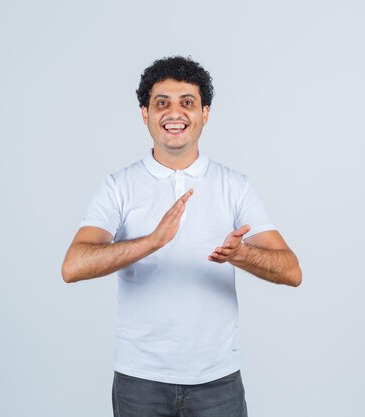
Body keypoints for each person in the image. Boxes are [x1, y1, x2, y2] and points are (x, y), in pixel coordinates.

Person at [61, 56, 302, 417]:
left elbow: (292, 271)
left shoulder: (235, 187)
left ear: (206, 113)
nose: (175, 113)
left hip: (217, 381)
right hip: (139, 380)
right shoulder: (118, 187)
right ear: (145, 114)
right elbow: (73, 266)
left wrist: (243, 255)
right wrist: (150, 242)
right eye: (162, 103)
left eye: (187, 102)